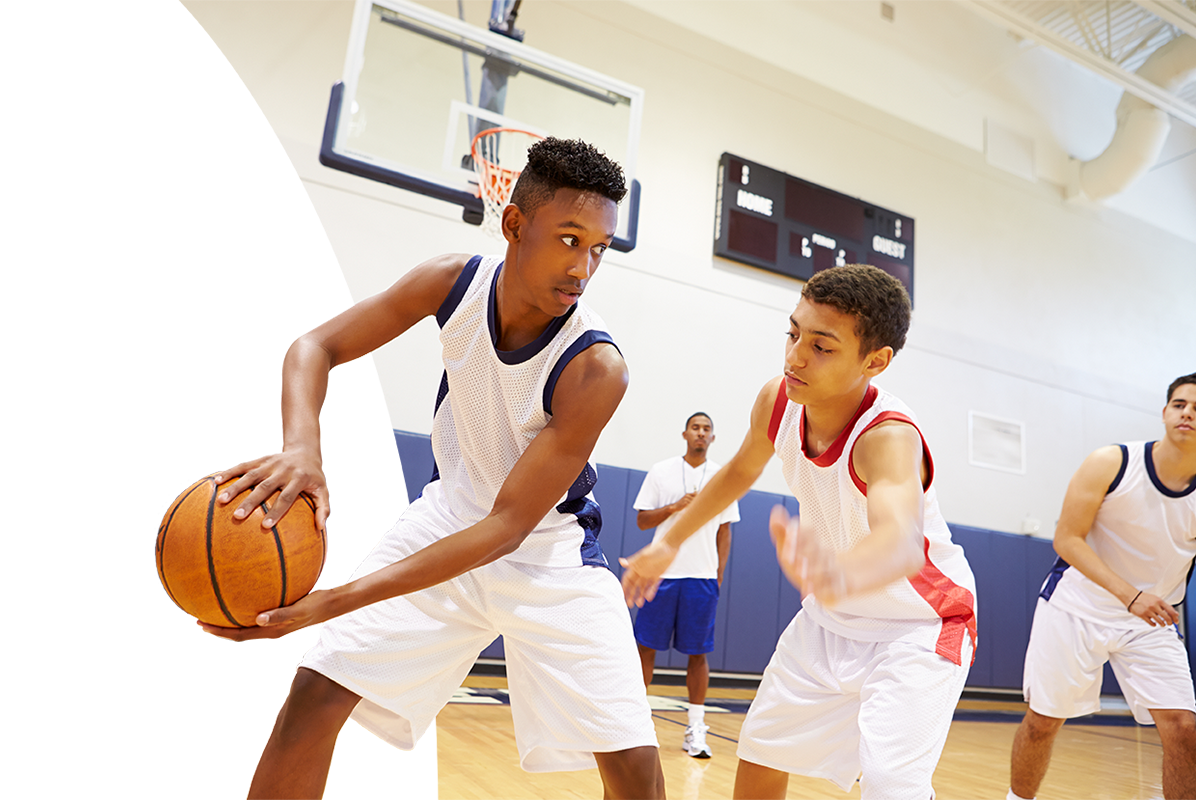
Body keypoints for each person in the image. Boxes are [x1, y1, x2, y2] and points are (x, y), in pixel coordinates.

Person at [201, 138, 664, 800]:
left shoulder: (597, 367)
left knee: (634, 769)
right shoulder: (453, 283)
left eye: (598, 248)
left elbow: (506, 527)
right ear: (514, 225)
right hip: (447, 514)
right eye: (568, 239)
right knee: (312, 701)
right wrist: (302, 445)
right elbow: (315, 345)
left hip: (547, 556)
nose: (583, 266)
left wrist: (343, 595)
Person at [620, 263, 977, 800]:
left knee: (890, 783)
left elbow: (900, 541)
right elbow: (739, 471)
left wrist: (839, 571)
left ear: (874, 361)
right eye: (793, 333)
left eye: (822, 346)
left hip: (920, 625)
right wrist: (667, 542)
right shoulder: (778, 399)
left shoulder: (888, 437)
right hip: (831, 620)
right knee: (763, 750)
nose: (794, 356)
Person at [1007, 373, 1196, 800]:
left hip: (1152, 619)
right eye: (1179, 404)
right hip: (1077, 606)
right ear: (1165, 412)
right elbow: (1067, 539)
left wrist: (1142, 604)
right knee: (1043, 722)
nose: (1187, 413)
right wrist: (1130, 596)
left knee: (1184, 728)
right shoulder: (1111, 462)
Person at [631, 412, 740, 758]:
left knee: (698, 653)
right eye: (696, 427)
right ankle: (634, 725)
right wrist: (674, 508)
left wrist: (719, 571)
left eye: (707, 429)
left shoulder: (723, 477)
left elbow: (725, 530)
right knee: (645, 648)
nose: (701, 433)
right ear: (685, 434)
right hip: (660, 576)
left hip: (701, 578)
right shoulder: (661, 471)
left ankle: (695, 728)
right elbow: (641, 520)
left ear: (712, 438)